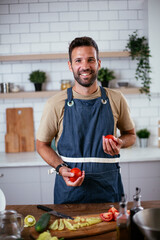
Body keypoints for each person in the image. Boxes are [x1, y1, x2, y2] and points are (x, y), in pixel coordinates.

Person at [36, 36, 136, 204]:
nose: (85, 66)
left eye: (91, 60)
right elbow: (41, 145)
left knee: (112, 230)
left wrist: (120, 142)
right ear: (70, 65)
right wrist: (61, 168)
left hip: (108, 189)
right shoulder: (55, 103)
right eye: (78, 60)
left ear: (98, 63)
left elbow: (131, 135)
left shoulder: (116, 99)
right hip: (69, 190)